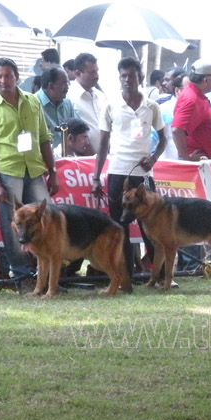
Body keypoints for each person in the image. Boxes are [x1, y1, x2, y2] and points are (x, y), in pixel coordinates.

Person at [0, 57, 59, 292]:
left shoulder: (33, 101)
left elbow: (45, 138)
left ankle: (48, 277)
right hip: (8, 172)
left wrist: (52, 172)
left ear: (16, 77)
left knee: (47, 220)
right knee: (15, 227)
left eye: (8, 75)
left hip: (35, 169)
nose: (4, 80)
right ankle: (22, 277)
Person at [92, 57, 166, 281]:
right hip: (117, 171)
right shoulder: (111, 105)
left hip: (143, 173)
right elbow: (103, 143)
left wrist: (153, 159)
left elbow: (163, 139)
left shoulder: (151, 106)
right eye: (123, 76)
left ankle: (160, 275)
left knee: (151, 226)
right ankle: (124, 275)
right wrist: (96, 177)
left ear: (140, 77)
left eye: (131, 76)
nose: (127, 80)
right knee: (119, 225)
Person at [172, 59, 211, 161]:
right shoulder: (192, 98)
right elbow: (176, 130)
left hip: (202, 162)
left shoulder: (195, 94)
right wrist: (187, 158)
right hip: (196, 164)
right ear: (206, 80)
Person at [67, 53, 107, 155]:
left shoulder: (100, 96)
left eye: (97, 71)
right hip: (83, 161)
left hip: (106, 157)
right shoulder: (69, 97)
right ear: (77, 73)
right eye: (92, 72)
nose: (96, 76)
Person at [35, 65, 78, 156]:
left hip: (67, 160)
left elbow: (76, 129)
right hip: (43, 161)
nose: (68, 86)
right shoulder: (33, 103)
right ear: (51, 86)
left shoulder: (67, 103)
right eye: (64, 83)